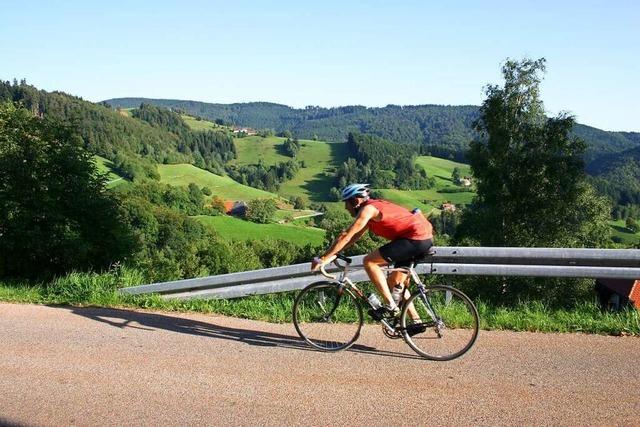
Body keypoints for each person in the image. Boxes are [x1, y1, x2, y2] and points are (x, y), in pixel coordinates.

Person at [311, 183, 434, 316]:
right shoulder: (371, 212)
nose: (346, 207)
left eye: (347, 203)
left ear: (356, 201)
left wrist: (322, 259)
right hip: (423, 238)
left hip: (415, 238)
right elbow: (354, 237)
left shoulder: (368, 210)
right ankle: (416, 321)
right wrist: (332, 255)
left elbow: (346, 236)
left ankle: (390, 306)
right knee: (395, 282)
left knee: (369, 262)